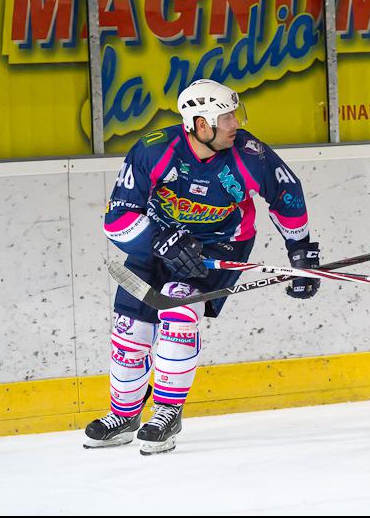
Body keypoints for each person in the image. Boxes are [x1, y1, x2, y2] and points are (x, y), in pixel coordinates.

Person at [84, 79, 321, 455]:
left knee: (179, 313)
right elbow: (116, 220)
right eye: (225, 117)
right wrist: (158, 240)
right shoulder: (153, 151)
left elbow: (287, 192)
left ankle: (166, 412)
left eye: (233, 115)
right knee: (130, 330)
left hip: (218, 245)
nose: (235, 125)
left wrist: (301, 249)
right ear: (199, 124)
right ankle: (124, 415)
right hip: (156, 243)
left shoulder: (249, 154)